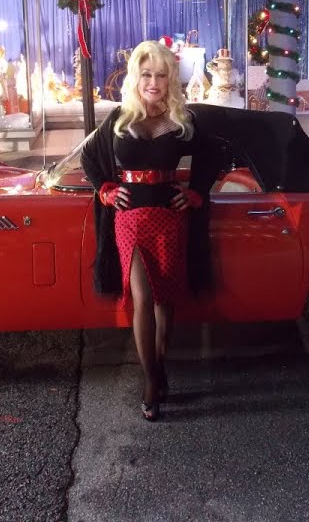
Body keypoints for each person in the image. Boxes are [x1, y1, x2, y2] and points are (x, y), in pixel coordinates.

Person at [80, 40, 205, 422]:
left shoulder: (183, 121)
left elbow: (215, 155)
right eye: (147, 74)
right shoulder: (120, 117)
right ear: (137, 76)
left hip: (169, 216)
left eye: (161, 74)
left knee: (164, 298)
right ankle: (151, 379)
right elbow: (88, 157)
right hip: (130, 218)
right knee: (142, 295)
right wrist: (104, 188)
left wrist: (197, 192)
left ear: (171, 79)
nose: (153, 81)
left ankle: (161, 364)